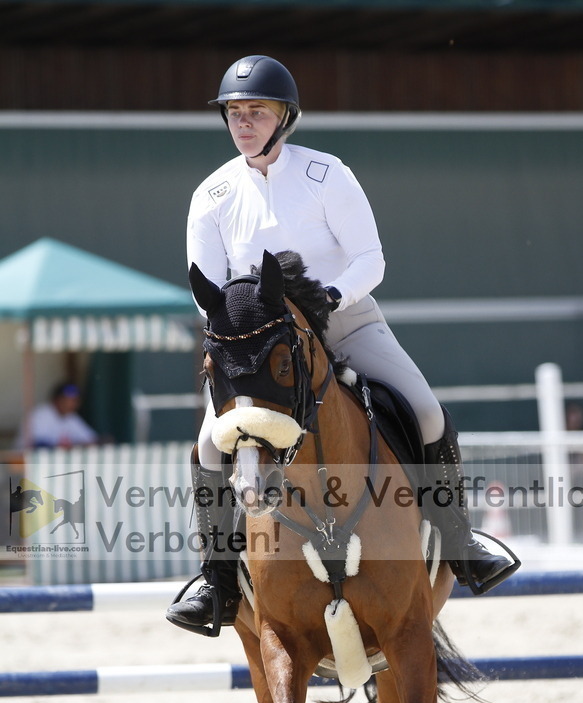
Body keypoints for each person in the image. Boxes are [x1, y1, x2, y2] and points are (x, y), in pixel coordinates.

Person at [166, 55, 518, 634]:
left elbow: (371, 260)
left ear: (285, 116)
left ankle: (460, 541)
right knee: (209, 447)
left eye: (256, 111)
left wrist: (329, 297)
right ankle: (219, 580)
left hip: (345, 321)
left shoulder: (327, 175)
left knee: (427, 413)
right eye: (234, 113)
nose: (243, 123)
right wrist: (240, 335)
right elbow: (206, 288)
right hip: (259, 350)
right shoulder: (213, 194)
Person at [17, 382, 98, 449]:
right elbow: (38, 444)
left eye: (76, 400)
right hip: (25, 462)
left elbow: (91, 439)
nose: (73, 404)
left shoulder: (71, 417)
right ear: (57, 399)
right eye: (69, 400)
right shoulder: (40, 415)